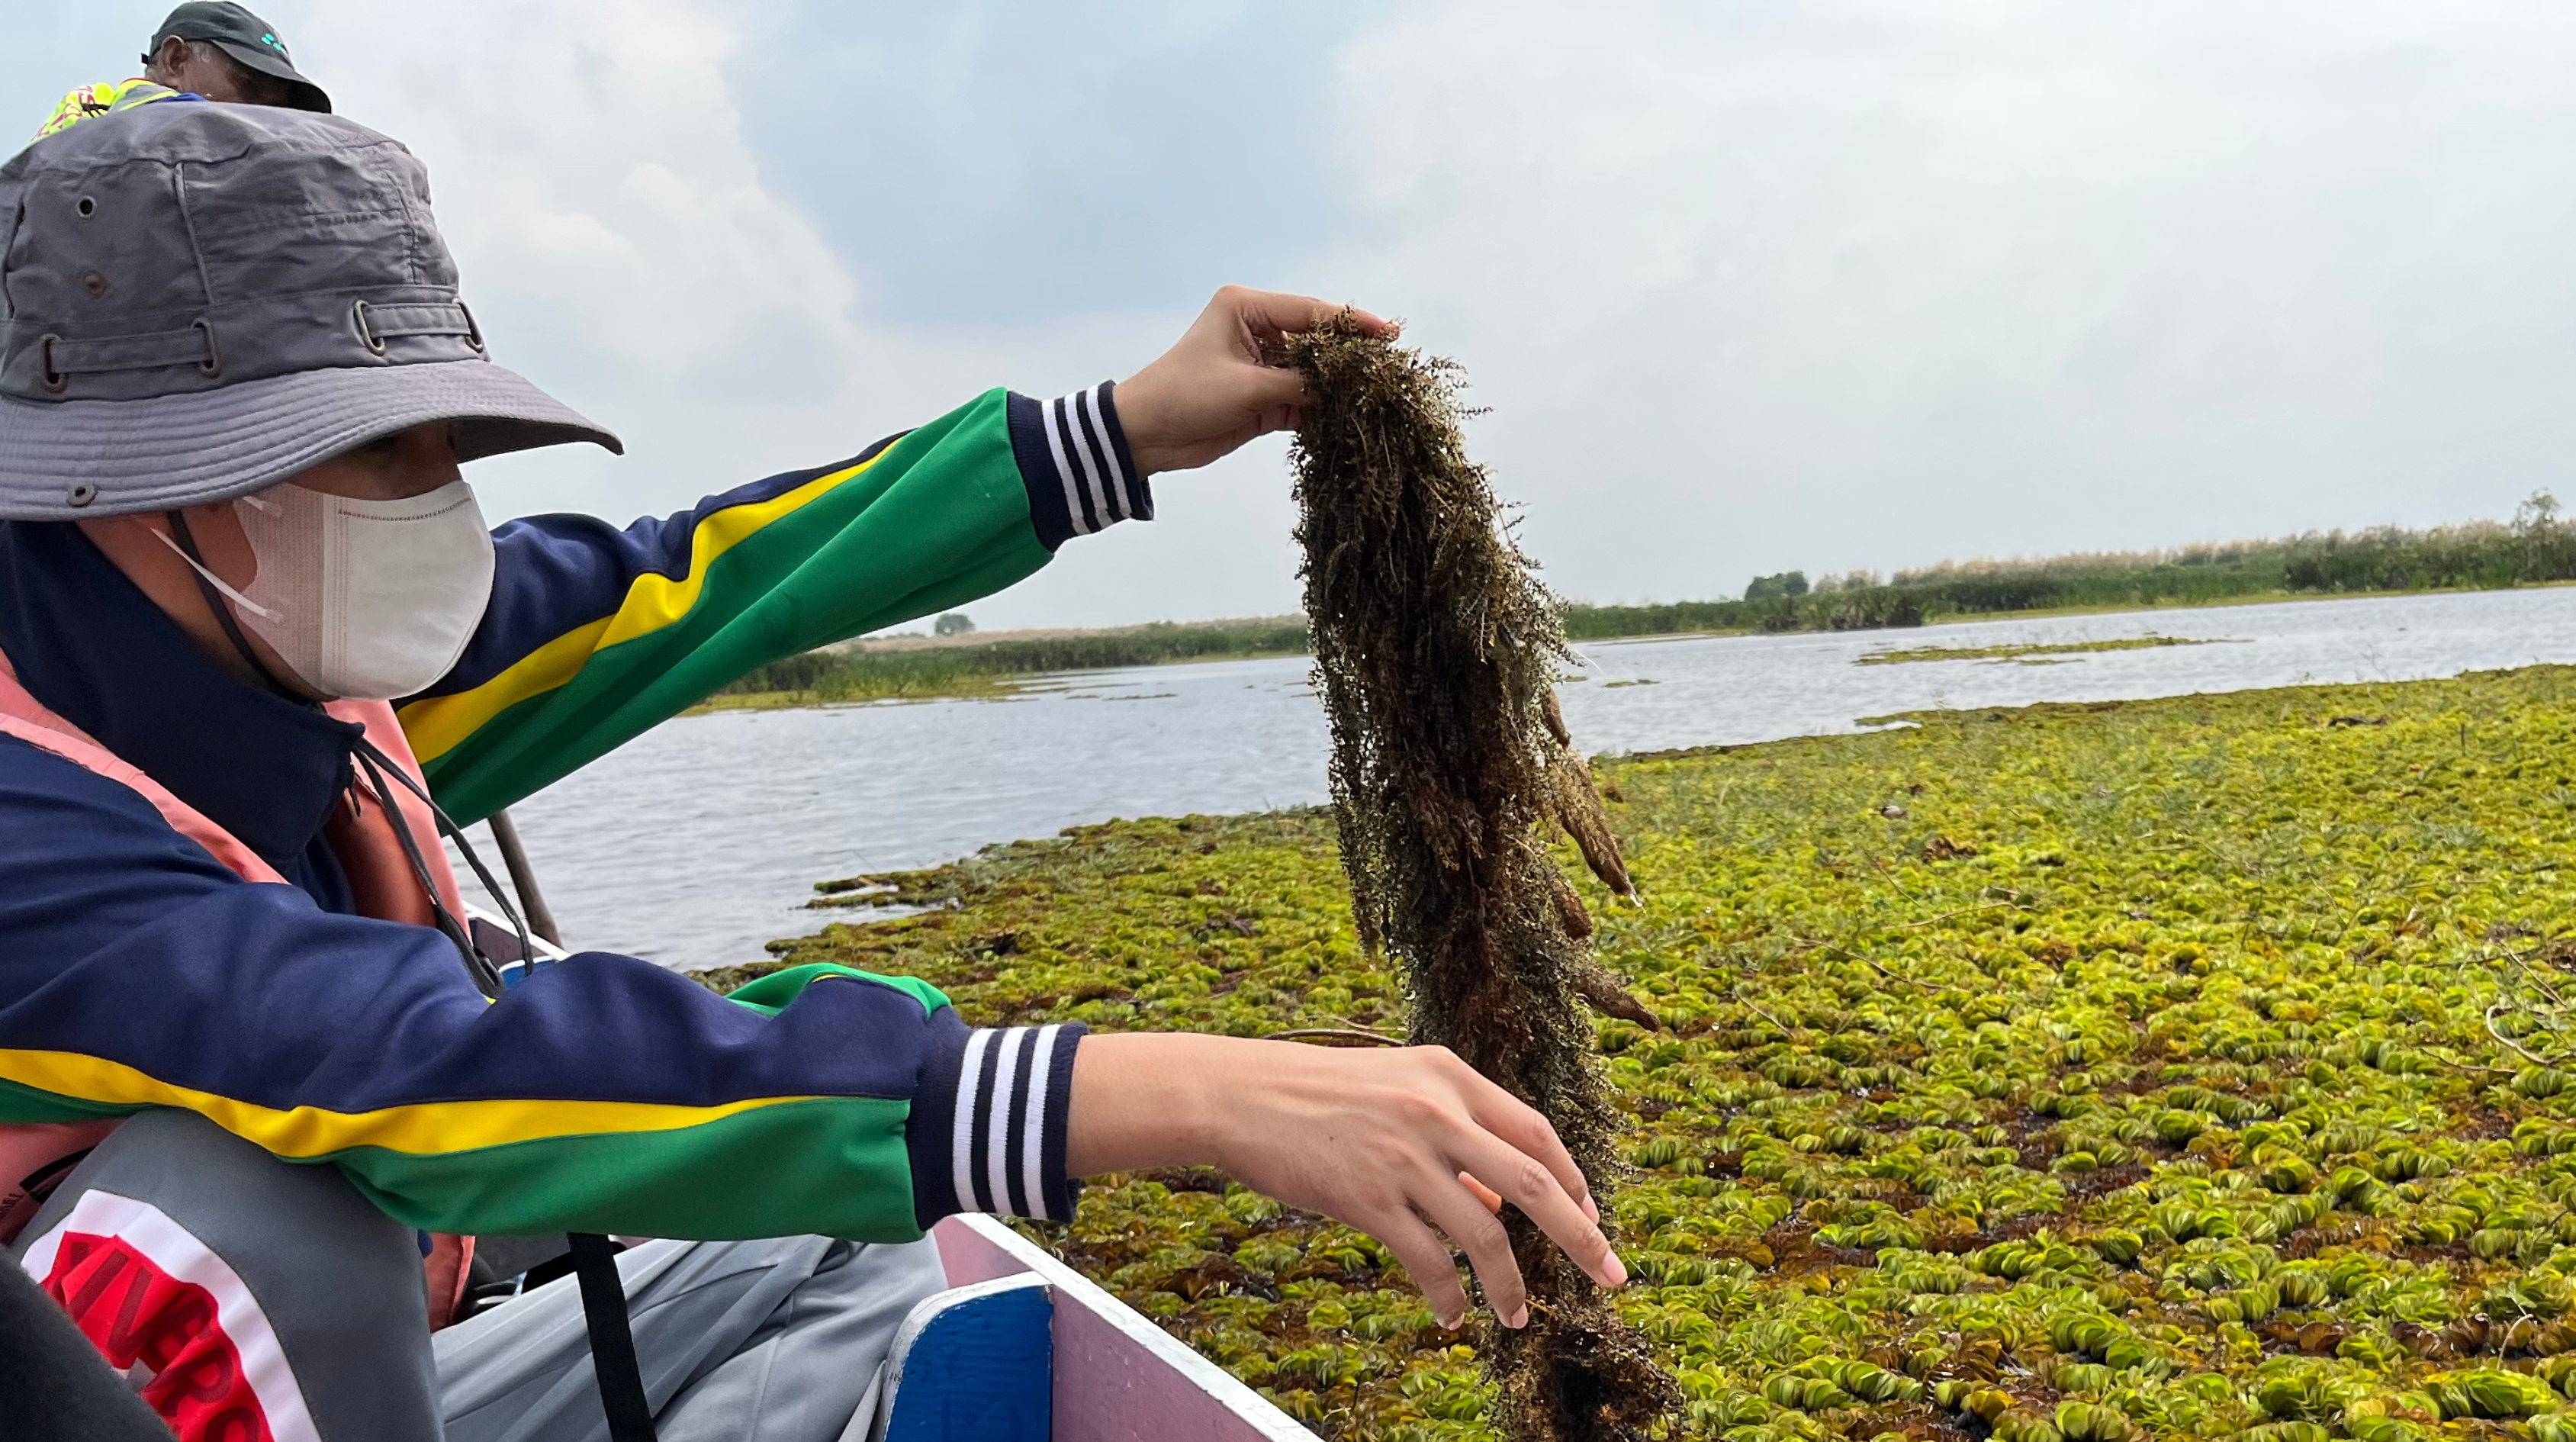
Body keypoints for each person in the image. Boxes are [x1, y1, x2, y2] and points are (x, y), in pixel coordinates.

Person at [0, 101, 1624, 1442]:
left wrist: (1111, 431)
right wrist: (1192, 1093)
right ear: (151, 486)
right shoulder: (28, 825)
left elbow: (687, 588)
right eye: (380, 448)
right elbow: (413, 1060)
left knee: (848, 1232)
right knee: (266, 1224)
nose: (438, 504)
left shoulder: (279, 649)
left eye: (450, 447)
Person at [34, 2, 327, 141]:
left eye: (280, 110)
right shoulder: (137, 118)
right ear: (175, 61)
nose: (269, 119)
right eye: (249, 87)